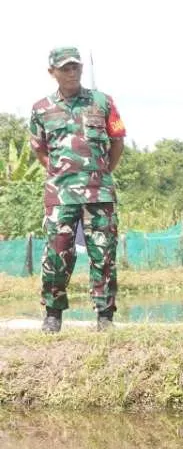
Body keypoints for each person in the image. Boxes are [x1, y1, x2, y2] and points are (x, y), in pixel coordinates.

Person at [29, 46, 126, 333]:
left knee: (103, 253)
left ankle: (105, 316)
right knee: (57, 253)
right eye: (65, 68)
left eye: (76, 67)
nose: (72, 72)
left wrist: (103, 172)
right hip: (60, 195)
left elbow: (117, 141)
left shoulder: (102, 102)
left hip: (99, 192)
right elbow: (40, 149)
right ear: (52, 72)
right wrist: (61, 174)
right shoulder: (41, 109)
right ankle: (53, 314)